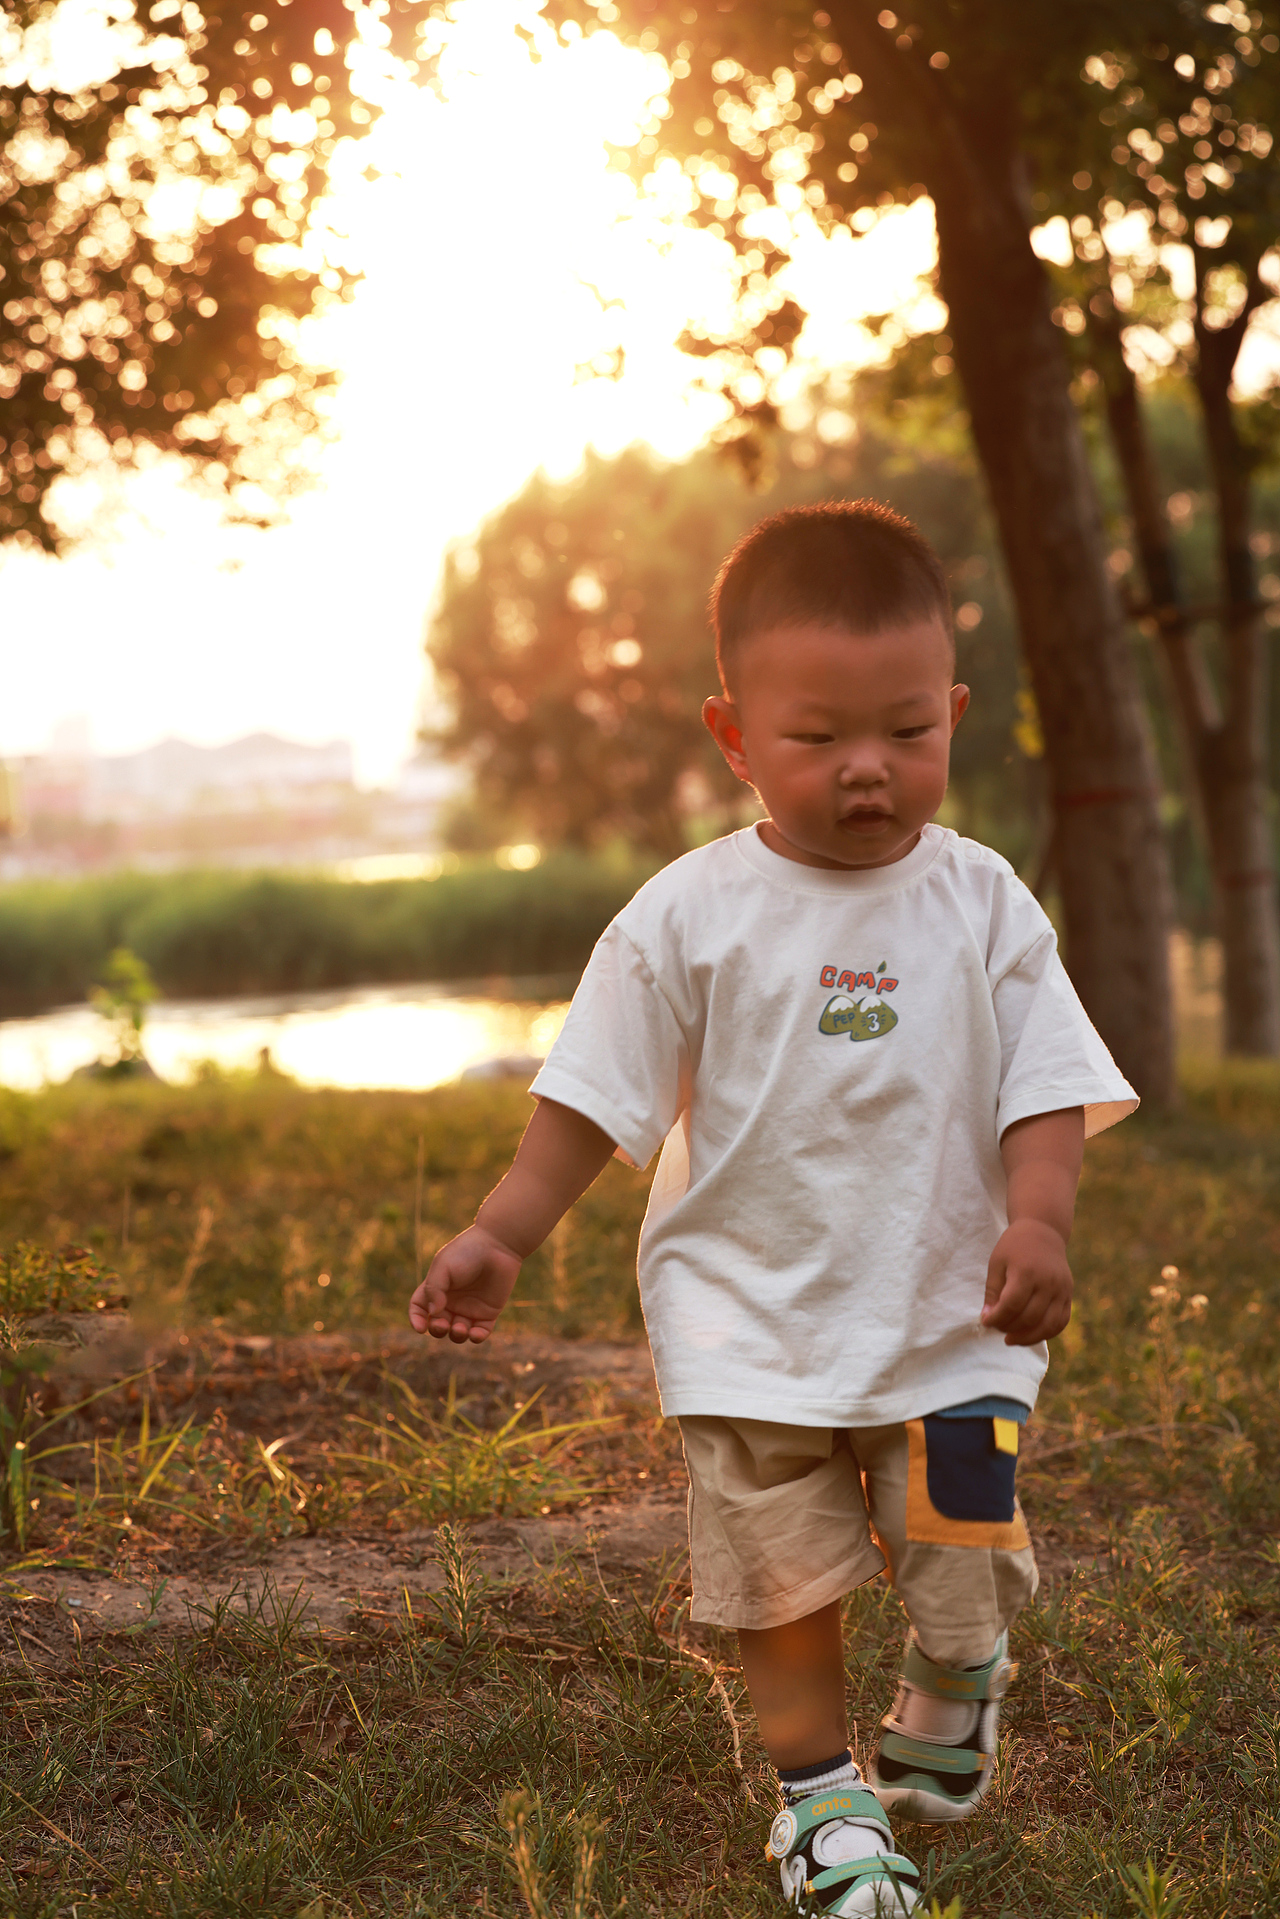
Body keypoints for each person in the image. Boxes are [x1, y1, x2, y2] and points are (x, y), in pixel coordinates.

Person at [409, 502, 1137, 1916]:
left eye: (908, 730)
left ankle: (957, 1670)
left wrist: (1038, 1219)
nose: (868, 768)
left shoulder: (984, 901)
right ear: (734, 733)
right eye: (817, 739)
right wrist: (502, 1230)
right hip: (745, 1325)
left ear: (955, 714)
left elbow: (1046, 1080)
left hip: (953, 1326)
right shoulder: (684, 919)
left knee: (961, 1550)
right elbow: (591, 1100)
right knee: (778, 1582)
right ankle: (823, 1806)